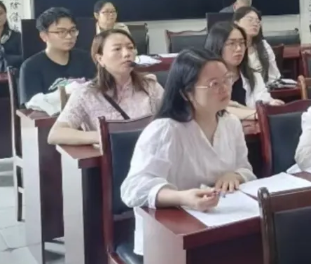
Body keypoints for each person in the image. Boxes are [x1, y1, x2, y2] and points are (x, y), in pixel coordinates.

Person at [121, 48, 256, 256]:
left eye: (227, 79)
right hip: (169, 234)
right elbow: (133, 190)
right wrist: (182, 197)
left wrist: (235, 175)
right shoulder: (165, 130)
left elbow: (246, 169)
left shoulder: (231, 123)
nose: (225, 88)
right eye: (214, 84)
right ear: (187, 93)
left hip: (221, 225)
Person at [47, 29, 164, 145]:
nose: (127, 53)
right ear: (100, 59)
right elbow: (56, 134)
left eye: (130, 47)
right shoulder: (86, 94)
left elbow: (172, 119)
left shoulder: (150, 86)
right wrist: (104, 136)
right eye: (117, 49)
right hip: (112, 156)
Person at [204, 22, 283, 120]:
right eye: (232, 43)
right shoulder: (206, 79)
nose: (238, 49)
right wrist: (256, 114)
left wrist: (271, 103)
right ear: (217, 45)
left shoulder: (252, 75)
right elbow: (217, 109)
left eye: (241, 43)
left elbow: (262, 99)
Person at [19, 8, 96, 105]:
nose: (69, 36)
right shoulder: (30, 67)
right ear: (44, 36)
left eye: (72, 30)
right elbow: (31, 106)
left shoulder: (86, 59)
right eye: (61, 32)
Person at [233, 6, 281, 83]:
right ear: (236, 23)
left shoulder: (264, 46)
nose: (255, 24)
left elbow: (274, 77)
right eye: (250, 20)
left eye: (257, 21)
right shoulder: (230, 47)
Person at [0, 0, 22, 70]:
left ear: (5, 14)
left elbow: (25, 58)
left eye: (0, 13)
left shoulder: (17, 36)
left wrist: (6, 58)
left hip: (11, 75)